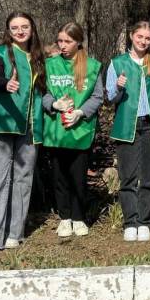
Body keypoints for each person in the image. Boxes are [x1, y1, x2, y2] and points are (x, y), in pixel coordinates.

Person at [0, 12, 46, 260]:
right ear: (8, 30)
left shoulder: (37, 57)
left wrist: (57, 105)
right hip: (2, 125)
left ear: (32, 29)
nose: (20, 31)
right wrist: (6, 84)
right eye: (15, 27)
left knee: (23, 180)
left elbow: (42, 92)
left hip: (30, 127)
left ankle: (14, 232)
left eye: (25, 26)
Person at [106, 21, 150, 242]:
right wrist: (117, 86)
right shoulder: (117, 63)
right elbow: (109, 98)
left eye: (147, 38)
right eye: (140, 37)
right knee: (128, 176)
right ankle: (130, 222)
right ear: (131, 36)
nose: (143, 41)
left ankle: (144, 221)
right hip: (128, 125)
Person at [42, 22, 104, 238]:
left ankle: (79, 218)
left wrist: (80, 112)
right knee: (59, 177)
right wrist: (53, 104)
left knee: (78, 177)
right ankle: (65, 218)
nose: (63, 45)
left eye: (67, 41)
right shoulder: (49, 65)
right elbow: (43, 93)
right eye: (60, 41)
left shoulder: (92, 66)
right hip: (56, 131)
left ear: (79, 42)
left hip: (80, 131)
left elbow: (98, 96)